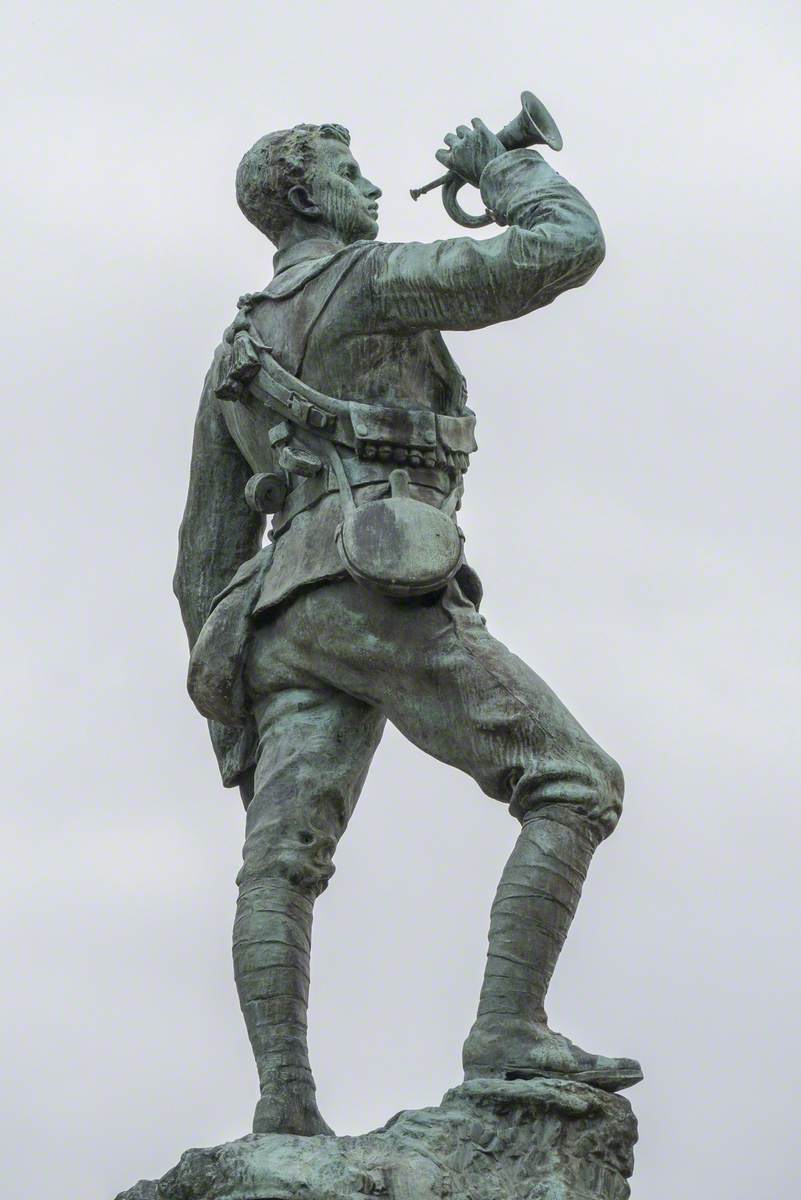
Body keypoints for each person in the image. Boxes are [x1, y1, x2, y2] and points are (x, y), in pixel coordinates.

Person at [174, 116, 642, 1137]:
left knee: (281, 862)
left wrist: (234, 717)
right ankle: (507, 1032)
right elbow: (564, 248)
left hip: (276, 620)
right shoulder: (369, 280)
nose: (372, 184)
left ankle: (283, 1109)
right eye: (348, 170)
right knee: (575, 781)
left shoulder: (236, 351)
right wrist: (505, 168)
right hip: (376, 584)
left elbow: (202, 563)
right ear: (304, 197)